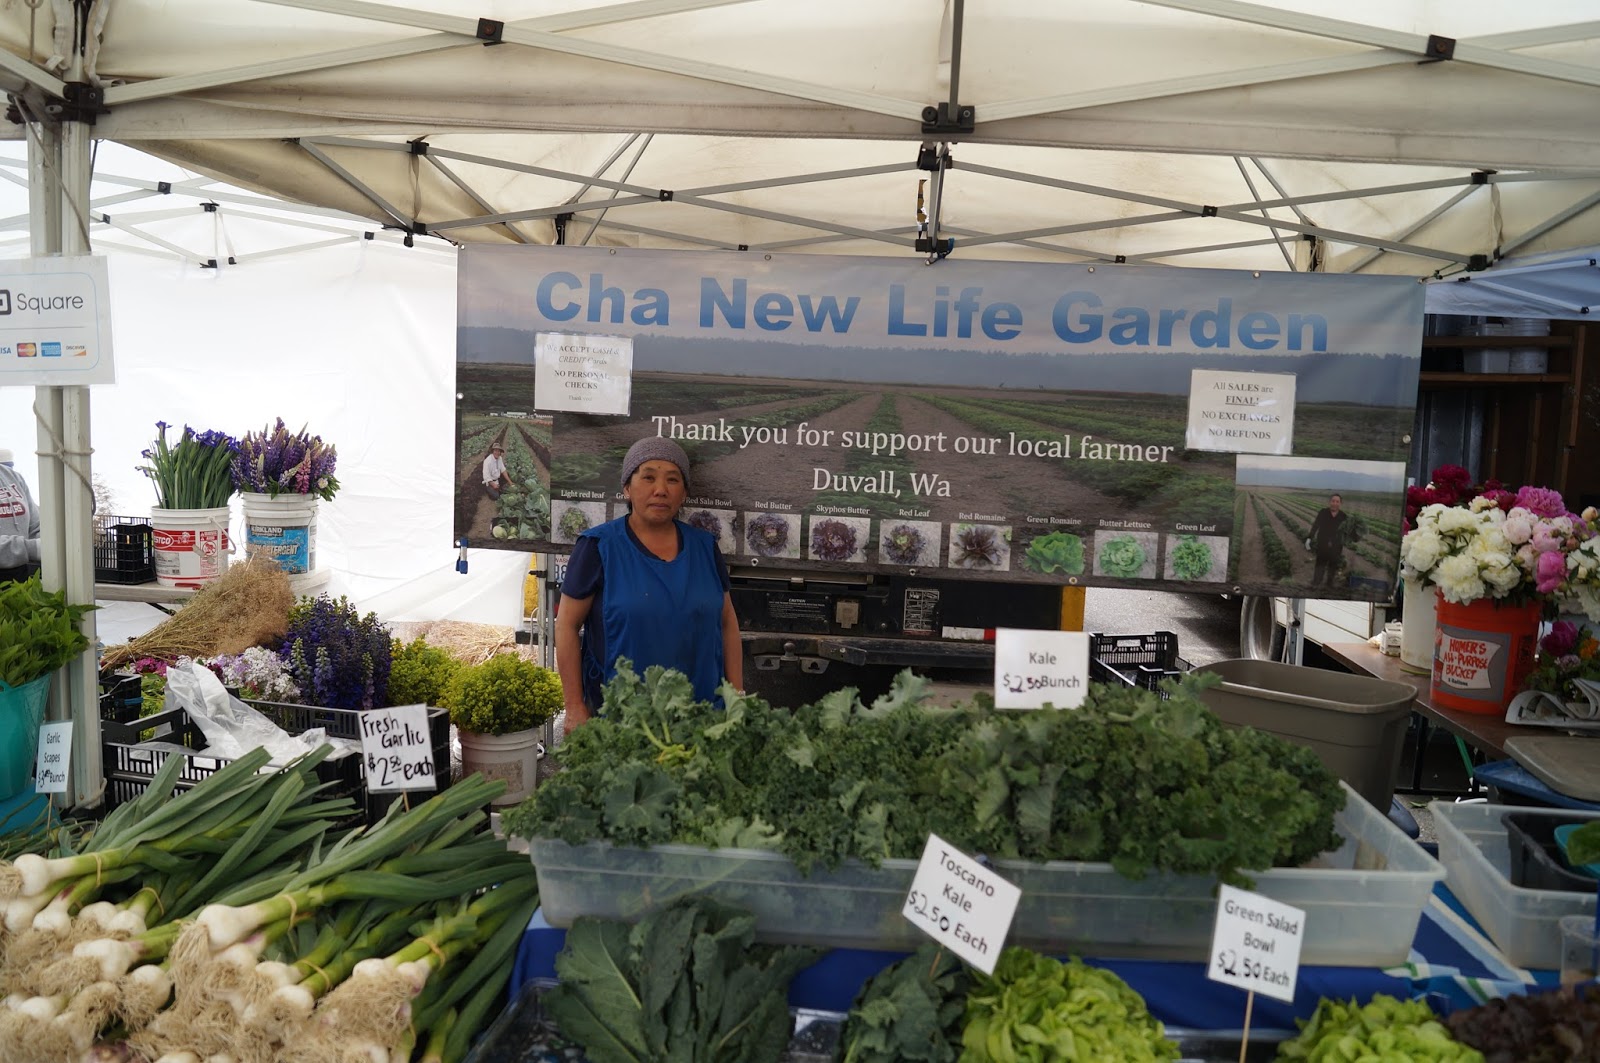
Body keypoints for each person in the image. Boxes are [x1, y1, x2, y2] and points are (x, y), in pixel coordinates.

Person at [555, 436, 743, 733]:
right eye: (648, 477)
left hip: (701, 714)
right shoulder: (598, 547)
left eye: (673, 479)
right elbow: (566, 624)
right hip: (621, 717)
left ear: (684, 493)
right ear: (627, 488)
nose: (660, 490)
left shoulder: (705, 547)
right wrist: (574, 706)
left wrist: (737, 698)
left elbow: (728, 624)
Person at [0, 448, 42, 583]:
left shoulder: (13, 477)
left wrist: (49, 543)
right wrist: (31, 548)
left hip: (20, 578)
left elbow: (36, 525)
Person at [1305, 492, 1351, 589]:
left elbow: (1347, 531)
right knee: (1320, 562)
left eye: (1337, 502)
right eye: (1333, 501)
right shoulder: (1323, 512)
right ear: (1329, 502)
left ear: (1340, 503)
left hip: (1336, 545)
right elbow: (1316, 525)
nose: (1335, 503)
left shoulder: (1343, 516)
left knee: (1333, 564)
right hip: (1323, 542)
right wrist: (1309, 538)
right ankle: (1316, 581)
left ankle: (1329, 583)